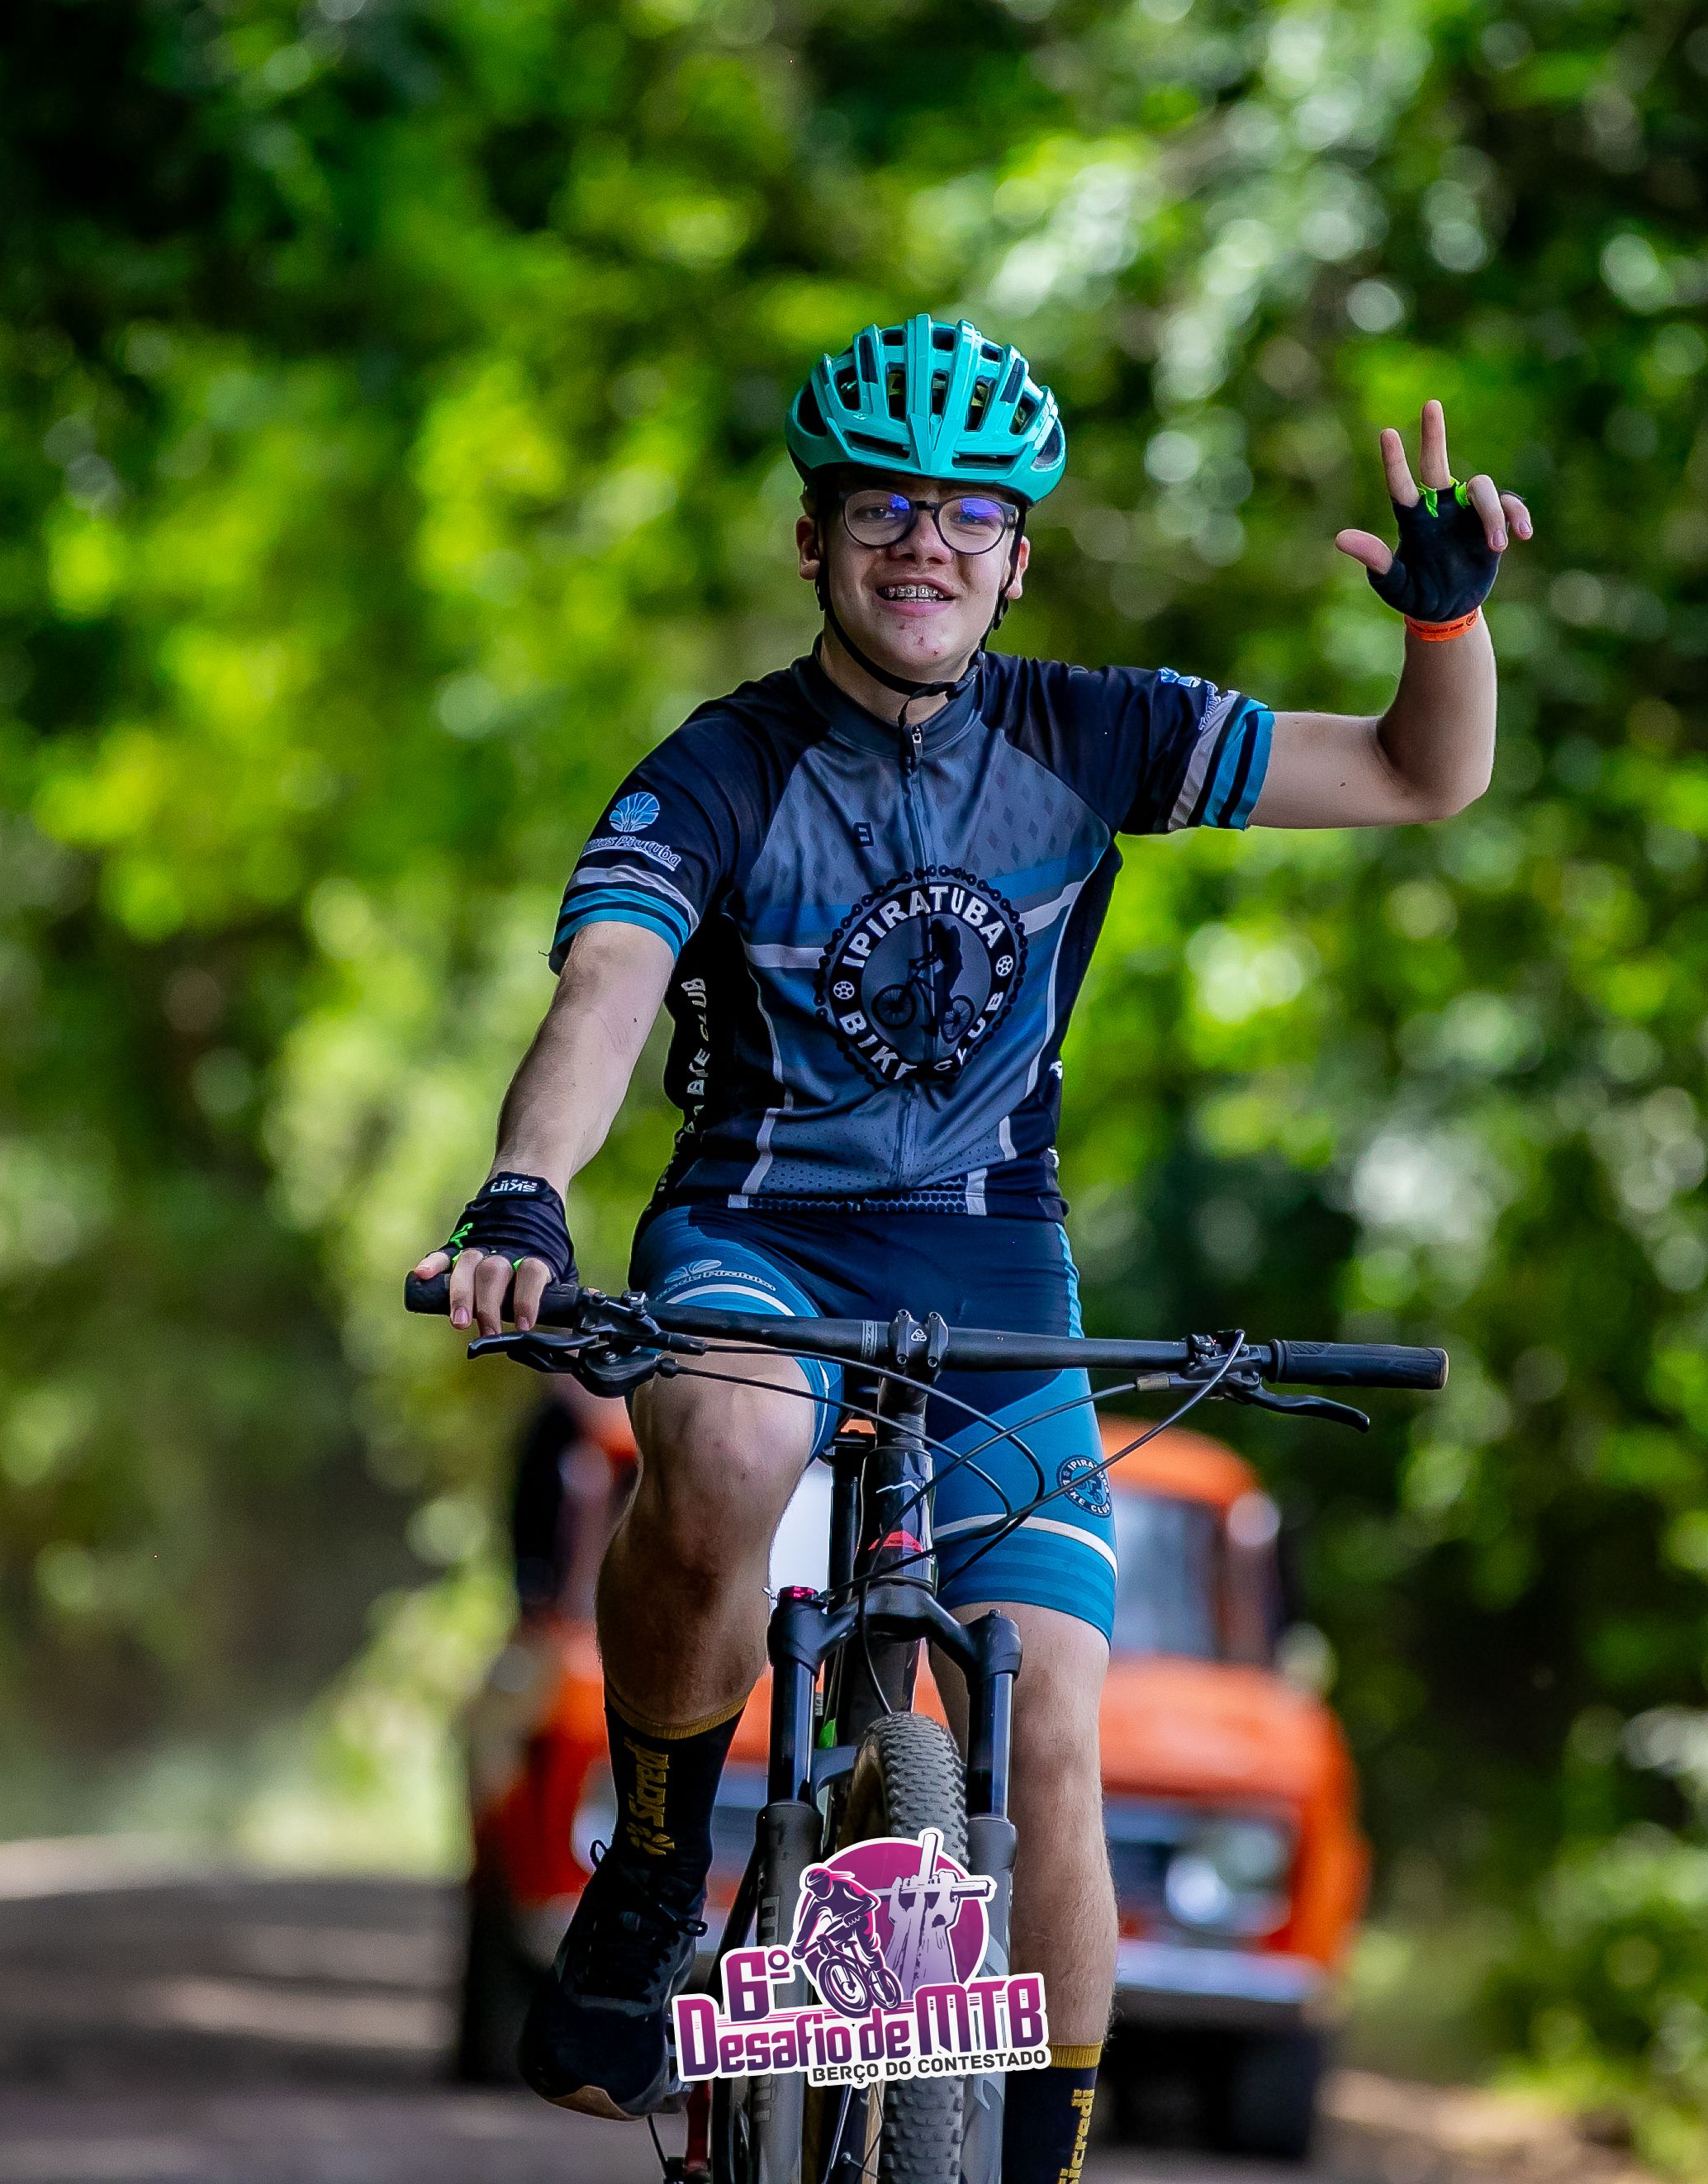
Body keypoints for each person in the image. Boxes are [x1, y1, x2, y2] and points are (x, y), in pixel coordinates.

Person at [417, 317, 1529, 2184]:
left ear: (1019, 554)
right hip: (757, 1231)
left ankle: (1038, 2154)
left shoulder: (1094, 732)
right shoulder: (717, 768)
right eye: (879, 509)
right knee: (732, 1440)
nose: (921, 544)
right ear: (813, 540)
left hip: (993, 1257)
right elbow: (604, 988)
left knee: (1056, 1733)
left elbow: (1422, 779)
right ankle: (664, 1854)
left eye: (967, 514)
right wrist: (525, 1189)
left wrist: (1446, 622)